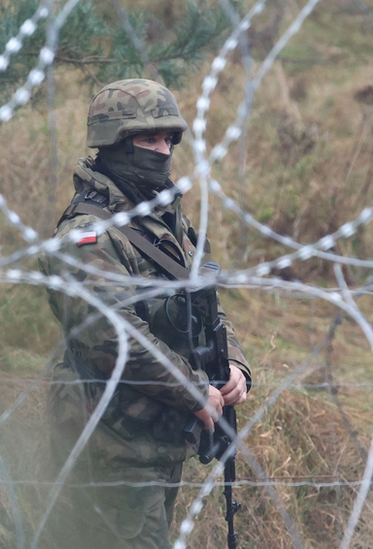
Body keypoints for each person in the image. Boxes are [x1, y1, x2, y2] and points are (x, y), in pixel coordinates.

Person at [38, 79, 251, 548]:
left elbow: (205, 304)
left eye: (167, 140)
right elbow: (112, 337)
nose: (161, 150)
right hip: (111, 443)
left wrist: (233, 364)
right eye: (147, 139)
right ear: (114, 142)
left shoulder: (164, 216)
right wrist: (193, 388)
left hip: (162, 433)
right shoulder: (87, 235)